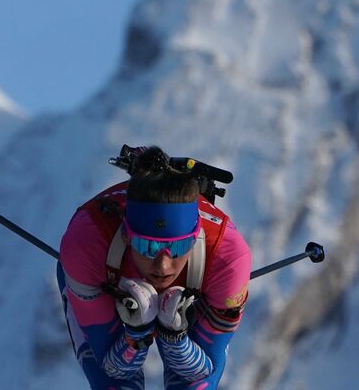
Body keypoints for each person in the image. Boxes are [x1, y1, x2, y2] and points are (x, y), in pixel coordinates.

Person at [58, 146, 252, 390]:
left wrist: (175, 339)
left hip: (200, 280)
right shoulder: (86, 245)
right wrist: (137, 333)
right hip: (101, 272)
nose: (163, 265)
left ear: (196, 237)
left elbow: (202, 371)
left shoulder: (228, 261)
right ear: (127, 236)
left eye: (179, 247)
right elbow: (112, 370)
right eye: (147, 246)